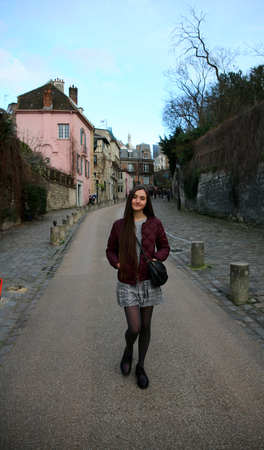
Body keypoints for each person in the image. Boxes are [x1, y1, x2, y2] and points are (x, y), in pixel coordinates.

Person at [106, 185, 170, 389]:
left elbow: (165, 247)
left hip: (148, 282)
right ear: (130, 199)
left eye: (142, 198)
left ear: (147, 201)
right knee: (134, 327)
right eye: (135, 197)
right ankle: (128, 350)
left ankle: (140, 366)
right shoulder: (119, 225)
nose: (138, 201)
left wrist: (155, 258)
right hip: (127, 282)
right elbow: (110, 250)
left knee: (146, 325)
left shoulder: (155, 223)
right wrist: (117, 264)